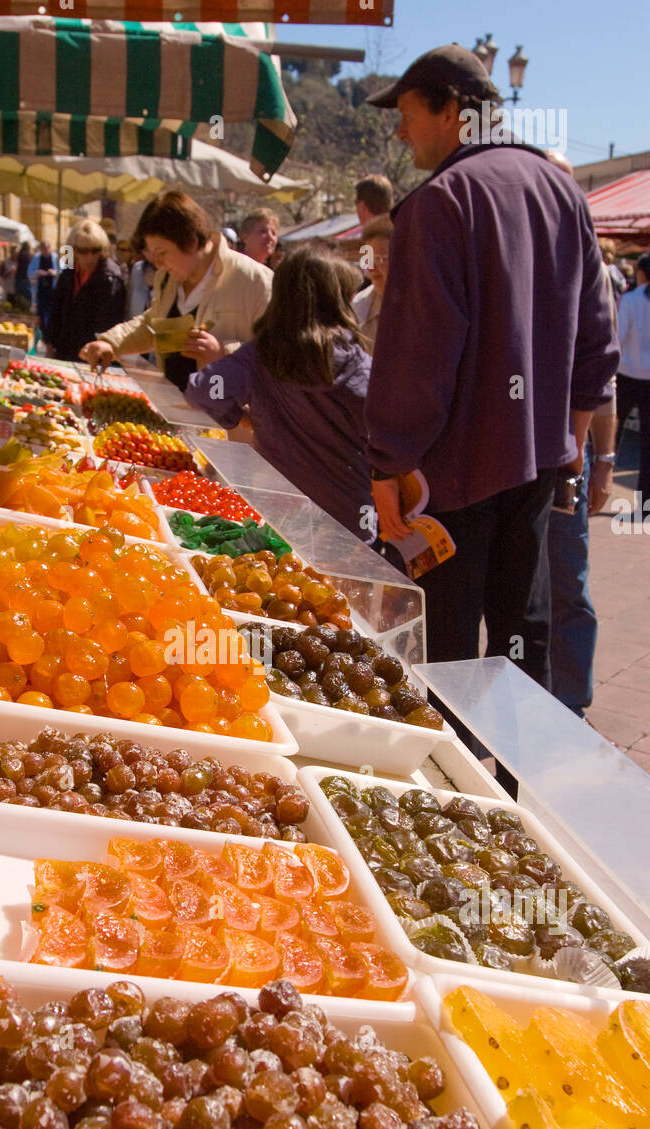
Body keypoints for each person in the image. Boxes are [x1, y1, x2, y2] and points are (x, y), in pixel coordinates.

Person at [364, 44, 618, 697]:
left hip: (453, 478)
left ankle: (454, 794)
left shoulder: (438, 203)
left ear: (451, 110)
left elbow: (418, 358)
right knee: (521, 645)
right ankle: (510, 790)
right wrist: (570, 446)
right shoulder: (563, 190)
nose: (400, 130)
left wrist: (387, 465)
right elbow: (598, 336)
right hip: (536, 468)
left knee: (446, 653)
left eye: (408, 113)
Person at [185, 246, 374, 540]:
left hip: (277, 514)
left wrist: (241, 416)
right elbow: (385, 428)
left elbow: (202, 390)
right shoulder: (357, 363)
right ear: (337, 304)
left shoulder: (260, 355)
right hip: (347, 520)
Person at [544, 149, 616, 719]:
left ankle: (572, 705)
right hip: (519, 452)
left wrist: (602, 462)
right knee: (523, 587)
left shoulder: (587, 271)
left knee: (568, 578)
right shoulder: (526, 260)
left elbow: (602, 384)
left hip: (570, 455)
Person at [80, 191, 272, 391]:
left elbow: (281, 353)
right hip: (173, 409)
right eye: (152, 255)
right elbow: (154, 326)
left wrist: (224, 352)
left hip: (231, 418)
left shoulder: (256, 281)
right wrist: (112, 343)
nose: (157, 263)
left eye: (162, 253)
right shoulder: (166, 279)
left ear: (191, 241)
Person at [44, 220, 125, 365]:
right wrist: (50, 342)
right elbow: (56, 308)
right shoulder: (68, 271)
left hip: (92, 355)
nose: (90, 257)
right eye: (83, 251)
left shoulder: (110, 277)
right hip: (64, 351)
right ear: (73, 249)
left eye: (95, 250)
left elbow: (109, 323)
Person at [615, 251, 650, 511]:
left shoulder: (631, 299)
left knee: (612, 435)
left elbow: (619, 337)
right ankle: (645, 504)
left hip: (627, 374)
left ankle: (596, 487)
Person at [352, 214, 392, 353]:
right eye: (368, 259)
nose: (371, 270)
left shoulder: (427, 307)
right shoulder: (358, 309)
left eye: (379, 259)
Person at [28, 241, 58, 340]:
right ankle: (43, 333)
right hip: (40, 289)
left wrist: (54, 273)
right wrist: (37, 273)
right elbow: (29, 272)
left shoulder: (56, 258)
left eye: (46, 249)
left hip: (52, 289)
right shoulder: (36, 258)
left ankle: (50, 331)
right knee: (40, 312)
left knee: (51, 311)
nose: (44, 251)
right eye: (42, 249)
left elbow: (63, 272)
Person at [13, 241, 33, 307]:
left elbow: (15, 261)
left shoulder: (19, 254)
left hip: (18, 277)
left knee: (18, 296)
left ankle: (19, 309)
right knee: (27, 297)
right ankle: (26, 309)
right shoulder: (30, 255)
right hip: (26, 278)